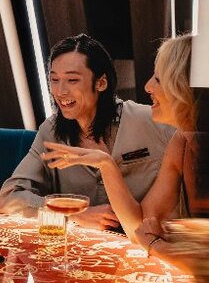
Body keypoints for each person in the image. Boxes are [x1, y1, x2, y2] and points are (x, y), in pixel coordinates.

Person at [0, 34, 175, 231]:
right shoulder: (51, 131)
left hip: (147, 244)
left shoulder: (154, 122)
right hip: (86, 252)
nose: (60, 91)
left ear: (101, 83)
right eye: (54, 79)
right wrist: (74, 215)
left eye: (72, 80)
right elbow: (9, 199)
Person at [41, 35, 197, 243]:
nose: (148, 86)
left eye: (158, 79)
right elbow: (139, 230)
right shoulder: (181, 143)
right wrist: (106, 164)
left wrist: (162, 249)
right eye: (54, 79)